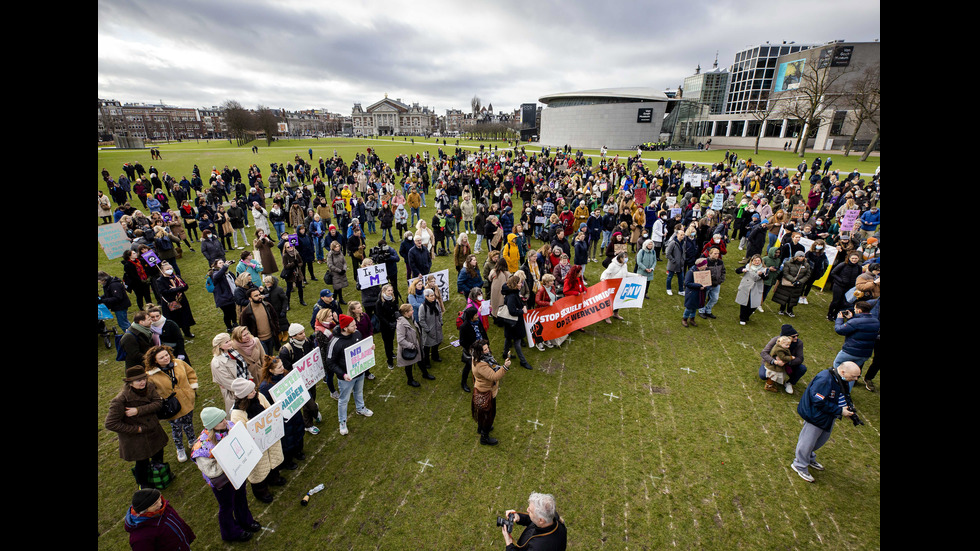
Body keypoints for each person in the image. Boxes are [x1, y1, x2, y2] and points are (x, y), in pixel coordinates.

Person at [190, 407, 261, 542]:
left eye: (223, 418)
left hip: (238, 472)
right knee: (227, 506)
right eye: (220, 421)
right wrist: (228, 460)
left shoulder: (230, 426)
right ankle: (231, 532)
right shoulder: (202, 446)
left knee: (241, 497)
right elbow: (211, 471)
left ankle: (246, 521)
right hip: (222, 481)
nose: (225, 422)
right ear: (211, 426)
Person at [790, 362, 862, 483]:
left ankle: (809, 458)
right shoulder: (824, 379)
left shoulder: (840, 378)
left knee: (821, 440)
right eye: (854, 376)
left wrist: (847, 410)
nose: (856, 379)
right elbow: (817, 401)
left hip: (827, 416)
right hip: (816, 417)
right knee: (807, 442)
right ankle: (799, 465)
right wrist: (839, 410)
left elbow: (842, 395)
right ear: (843, 372)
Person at [105, 366, 170, 489]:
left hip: (153, 431)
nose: (142, 382)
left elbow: (158, 403)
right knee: (142, 462)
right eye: (138, 380)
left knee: (158, 454)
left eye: (143, 378)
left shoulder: (149, 386)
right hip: (137, 439)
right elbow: (110, 423)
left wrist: (138, 410)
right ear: (130, 383)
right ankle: (143, 484)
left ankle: (159, 475)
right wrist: (136, 430)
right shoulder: (120, 400)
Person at [229, 378, 285, 503]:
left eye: (253, 389)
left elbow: (270, 409)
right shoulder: (237, 414)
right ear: (243, 396)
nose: (254, 392)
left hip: (270, 437)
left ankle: (274, 478)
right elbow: (241, 434)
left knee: (273, 461)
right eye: (250, 391)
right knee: (259, 471)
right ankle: (261, 491)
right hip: (256, 446)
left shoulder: (259, 396)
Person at [143, 345, 197, 463]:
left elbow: (191, 374)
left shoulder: (179, 363)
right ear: (155, 360)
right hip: (171, 407)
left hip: (187, 400)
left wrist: (192, 388)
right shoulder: (151, 376)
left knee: (188, 423)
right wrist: (161, 400)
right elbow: (150, 393)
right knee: (176, 428)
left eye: (166, 355)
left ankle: (192, 441)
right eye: (161, 358)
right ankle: (180, 448)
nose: (166, 358)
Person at [325, 314, 373, 435]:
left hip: (359, 372)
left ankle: (360, 408)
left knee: (359, 391)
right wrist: (343, 374)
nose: (356, 326)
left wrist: (369, 347)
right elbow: (330, 362)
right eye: (353, 325)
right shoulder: (335, 342)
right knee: (343, 399)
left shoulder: (357, 334)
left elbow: (361, 347)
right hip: (346, 377)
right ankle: (342, 421)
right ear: (345, 328)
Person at [279, 323, 321, 434]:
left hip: (310, 378)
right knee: (310, 404)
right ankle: (311, 419)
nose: (304, 335)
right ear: (293, 336)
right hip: (298, 382)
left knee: (312, 398)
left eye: (303, 332)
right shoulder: (286, 351)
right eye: (300, 333)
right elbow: (287, 369)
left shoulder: (307, 342)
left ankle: (309, 420)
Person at [125, 488, 196, 550]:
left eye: (159, 499)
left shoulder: (162, 507)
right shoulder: (140, 538)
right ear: (144, 510)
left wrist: (188, 535)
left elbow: (178, 520)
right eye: (155, 504)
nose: (160, 504)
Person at [470, 339, 511, 445]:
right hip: (486, 392)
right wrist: (505, 367)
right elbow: (494, 376)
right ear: (480, 351)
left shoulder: (477, 357)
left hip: (481, 389)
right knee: (489, 415)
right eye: (485, 349)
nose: (488, 350)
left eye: (487, 347)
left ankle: (481, 428)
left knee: (483, 413)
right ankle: (484, 437)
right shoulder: (481, 365)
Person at [501, 492, 568, 551]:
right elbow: (534, 520)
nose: (527, 510)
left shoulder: (538, 547)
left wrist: (509, 543)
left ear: (541, 520)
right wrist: (519, 517)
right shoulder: (552, 518)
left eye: (530, 511)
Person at [759, 324, 809, 393]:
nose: (796, 338)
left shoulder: (799, 343)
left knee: (802, 369)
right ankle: (770, 382)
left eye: (797, 335)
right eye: (793, 336)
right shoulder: (776, 340)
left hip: (789, 364)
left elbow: (800, 358)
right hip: (773, 364)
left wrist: (787, 362)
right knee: (762, 376)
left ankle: (789, 383)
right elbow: (764, 353)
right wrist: (774, 361)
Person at [833, 301, 880, 370]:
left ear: (859, 310)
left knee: (837, 366)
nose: (854, 311)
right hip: (865, 354)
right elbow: (861, 329)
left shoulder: (855, 322)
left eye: (855, 309)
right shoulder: (876, 321)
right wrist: (850, 319)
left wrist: (839, 319)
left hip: (850, 352)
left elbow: (839, 330)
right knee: (852, 371)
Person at [499, 275, 532, 370]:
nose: (521, 284)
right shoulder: (512, 296)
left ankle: (505, 354)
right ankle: (523, 361)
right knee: (517, 342)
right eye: (519, 283)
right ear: (515, 284)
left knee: (508, 338)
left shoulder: (513, 293)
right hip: (514, 323)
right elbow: (512, 311)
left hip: (511, 324)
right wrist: (522, 311)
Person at [397, 302, 432, 386]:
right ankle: (410, 380)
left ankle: (425, 374)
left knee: (421, 360)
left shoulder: (411, 317)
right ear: (406, 313)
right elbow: (400, 339)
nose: (413, 311)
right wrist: (411, 346)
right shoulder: (401, 324)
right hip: (410, 348)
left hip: (417, 344)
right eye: (411, 310)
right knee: (409, 365)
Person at [238, 287, 281, 355]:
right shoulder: (246, 312)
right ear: (250, 299)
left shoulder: (267, 305)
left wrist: (277, 329)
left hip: (271, 337)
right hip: (259, 340)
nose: (259, 297)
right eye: (256, 296)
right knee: (264, 358)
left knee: (270, 355)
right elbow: (243, 328)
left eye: (259, 294)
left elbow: (275, 318)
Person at [734, 255, 771, 325]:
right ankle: (742, 318)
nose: (757, 262)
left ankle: (747, 315)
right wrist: (742, 270)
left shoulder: (764, 269)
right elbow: (737, 271)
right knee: (744, 303)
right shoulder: (748, 266)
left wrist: (761, 275)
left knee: (754, 304)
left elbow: (766, 278)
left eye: (758, 261)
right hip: (746, 286)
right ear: (752, 261)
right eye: (755, 260)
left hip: (756, 287)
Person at [772, 251, 811, 317]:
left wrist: (799, 282)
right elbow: (785, 273)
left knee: (793, 298)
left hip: (798, 285)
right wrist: (793, 280)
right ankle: (782, 309)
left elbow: (807, 275)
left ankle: (789, 310)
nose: (801, 258)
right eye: (799, 256)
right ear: (796, 256)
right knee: (784, 296)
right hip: (788, 283)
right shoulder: (788, 263)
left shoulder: (806, 265)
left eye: (802, 256)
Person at [417, 288, 444, 370]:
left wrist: (440, 321)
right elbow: (421, 320)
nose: (433, 297)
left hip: (437, 328)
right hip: (428, 331)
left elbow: (439, 313)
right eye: (431, 296)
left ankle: (435, 356)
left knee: (436, 343)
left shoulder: (436, 303)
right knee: (427, 347)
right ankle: (426, 361)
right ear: (426, 297)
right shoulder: (423, 307)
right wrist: (427, 329)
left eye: (433, 295)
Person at [697, 247, 725, 319]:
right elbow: (699, 271)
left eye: (718, 253)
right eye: (715, 253)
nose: (717, 255)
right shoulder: (705, 262)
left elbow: (723, 271)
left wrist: (721, 280)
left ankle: (708, 310)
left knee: (715, 299)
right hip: (707, 284)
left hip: (716, 284)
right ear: (710, 254)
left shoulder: (720, 262)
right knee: (703, 298)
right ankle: (701, 311)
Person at [682, 258, 709, 327]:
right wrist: (699, 286)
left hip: (699, 293)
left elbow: (707, 282)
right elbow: (687, 283)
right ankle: (684, 319)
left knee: (695, 307)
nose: (706, 266)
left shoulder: (704, 271)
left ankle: (692, 319)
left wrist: (705, 286)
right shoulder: (691, 272)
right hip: (691, 293)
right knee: (689, 307)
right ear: (700, 265)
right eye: (705, 264)